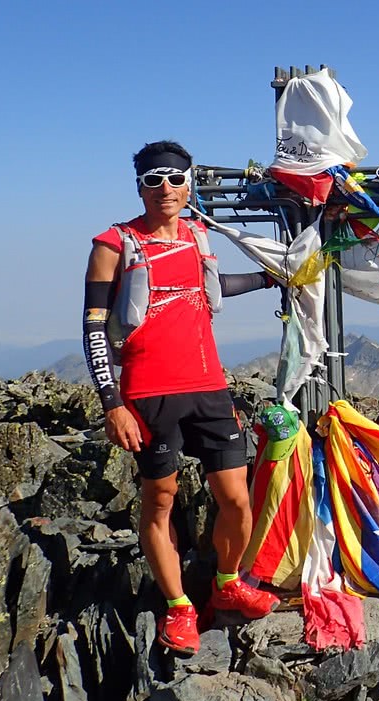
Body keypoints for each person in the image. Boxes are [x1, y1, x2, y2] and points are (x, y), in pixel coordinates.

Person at [83, 140, 279, 655]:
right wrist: (112, 402)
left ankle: (228, 580)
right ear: (140, 186)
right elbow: (95, 329)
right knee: (159, 502)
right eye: (154, 180)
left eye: (174, 178)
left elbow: (205, 289)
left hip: (209, 385)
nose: (165, 188)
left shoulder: (198, 234)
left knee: (237, 498)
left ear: (188, 182)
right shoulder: (113, 244)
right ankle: (179, 608)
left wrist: (267, 278)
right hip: (148, 394)